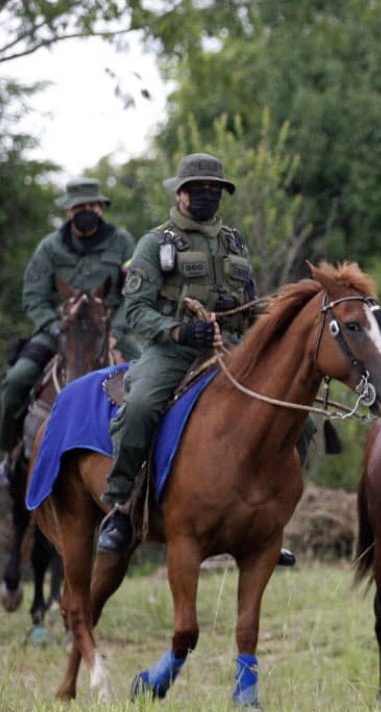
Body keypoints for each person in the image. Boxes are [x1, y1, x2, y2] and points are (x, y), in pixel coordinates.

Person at [97, 153, 257, 553]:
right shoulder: (155, 243)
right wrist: (178, 330)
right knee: (139, 407)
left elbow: (250, 306)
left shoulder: (235, 242)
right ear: (180, 193)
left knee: (290, 413)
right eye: (198, 189)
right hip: (172, 351)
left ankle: (265, 519)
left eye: (214, 190)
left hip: (230, 349)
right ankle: (121, 505)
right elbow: (135, 309)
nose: (206, 196)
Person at [0, 177, 139, 485]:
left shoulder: (123, 242)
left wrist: (119, 328)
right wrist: (54, 326)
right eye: (80, 207)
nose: (87, 211)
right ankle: (9, 455)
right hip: (61, 328)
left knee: (149, 377)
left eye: (92, 205)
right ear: (69, 212)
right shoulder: (49, 248)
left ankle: (149, 456)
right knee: (16, 380)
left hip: (111, 327)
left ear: (100, 208)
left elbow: (136, 291)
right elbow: (33, 295)